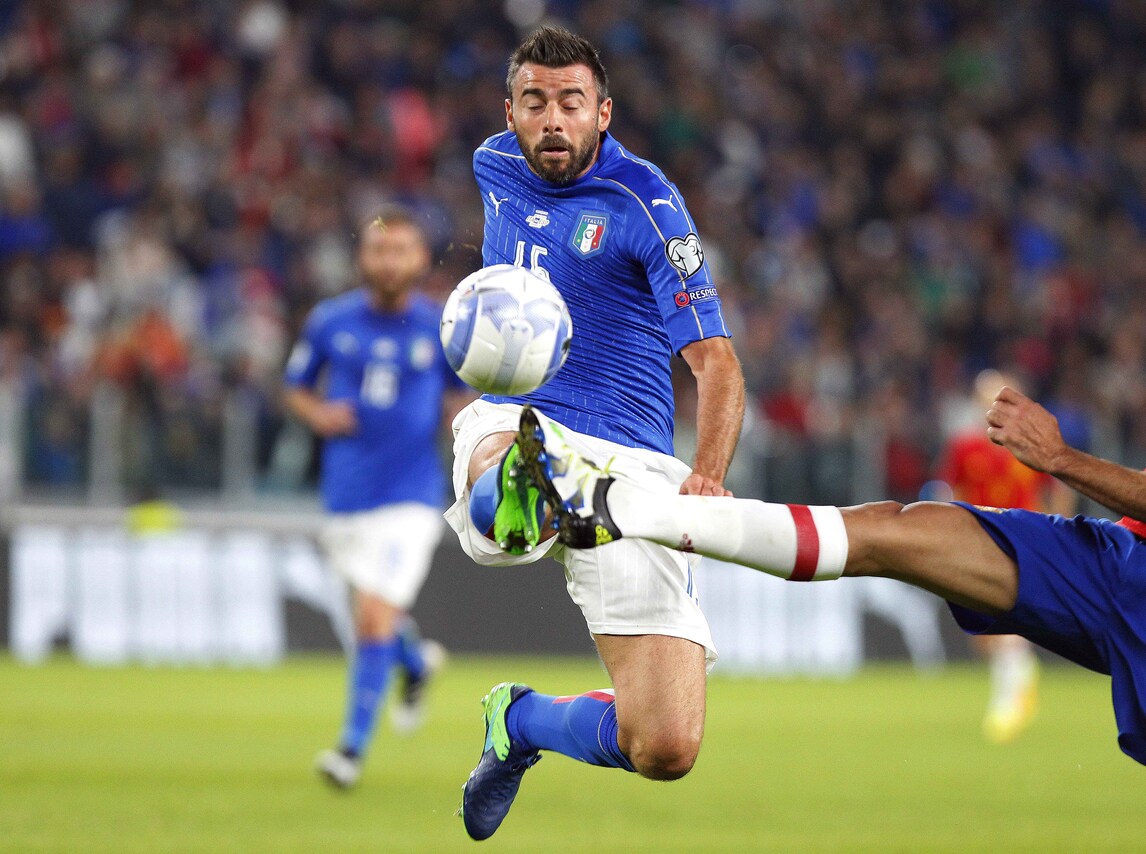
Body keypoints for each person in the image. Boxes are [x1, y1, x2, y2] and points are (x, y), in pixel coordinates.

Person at [447, 27, 744, 840]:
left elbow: (718, 364)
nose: (552, 120)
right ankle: (521, 482)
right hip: (523, 416)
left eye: (571, 103)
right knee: (501, 462)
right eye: (534, 102)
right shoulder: (493, 164)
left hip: (630, 462)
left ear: (603, 114)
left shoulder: (649, 206)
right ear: (509, 111)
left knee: (666, 745)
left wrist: (706, 476)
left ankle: (519, 722)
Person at [518, 382, 1146, 768]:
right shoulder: (966, 448)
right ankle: (606, 502)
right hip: (1118, 559)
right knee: (893, 532)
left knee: (663, 742)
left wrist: (1060, 460)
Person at [284, 208, 470, 789]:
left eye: (401, 250)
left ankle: (350, 751)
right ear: (362, 258)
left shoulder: (441, 326)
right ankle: (414, 664)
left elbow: (462, 398)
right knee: (376, 615)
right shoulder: (329, 321)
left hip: (411, 496)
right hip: (345, 495)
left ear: (421, 258)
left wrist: (469, 437)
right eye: (379, 250)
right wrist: (319, 414)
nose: (389, 261)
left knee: (371, 618)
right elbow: (295, 387)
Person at [933, 369, 1076, 743]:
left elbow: (1056, 487)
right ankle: (1017, 678)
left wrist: (1061, 529)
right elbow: (951, 491)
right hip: (978, 539)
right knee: (984, 633)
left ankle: (1010, 698)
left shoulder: (1029, 446)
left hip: (1022, 540)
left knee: (1004, 616)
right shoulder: (965, 447)